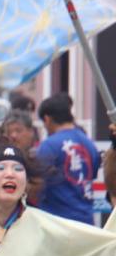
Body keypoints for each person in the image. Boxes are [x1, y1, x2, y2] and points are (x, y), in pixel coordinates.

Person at [35, 93, 99, 225]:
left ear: (47, 119)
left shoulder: (49, 145)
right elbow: (92, 173)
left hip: (58, 222)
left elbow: (38, 181)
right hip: (86, 220)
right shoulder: (89, 144)